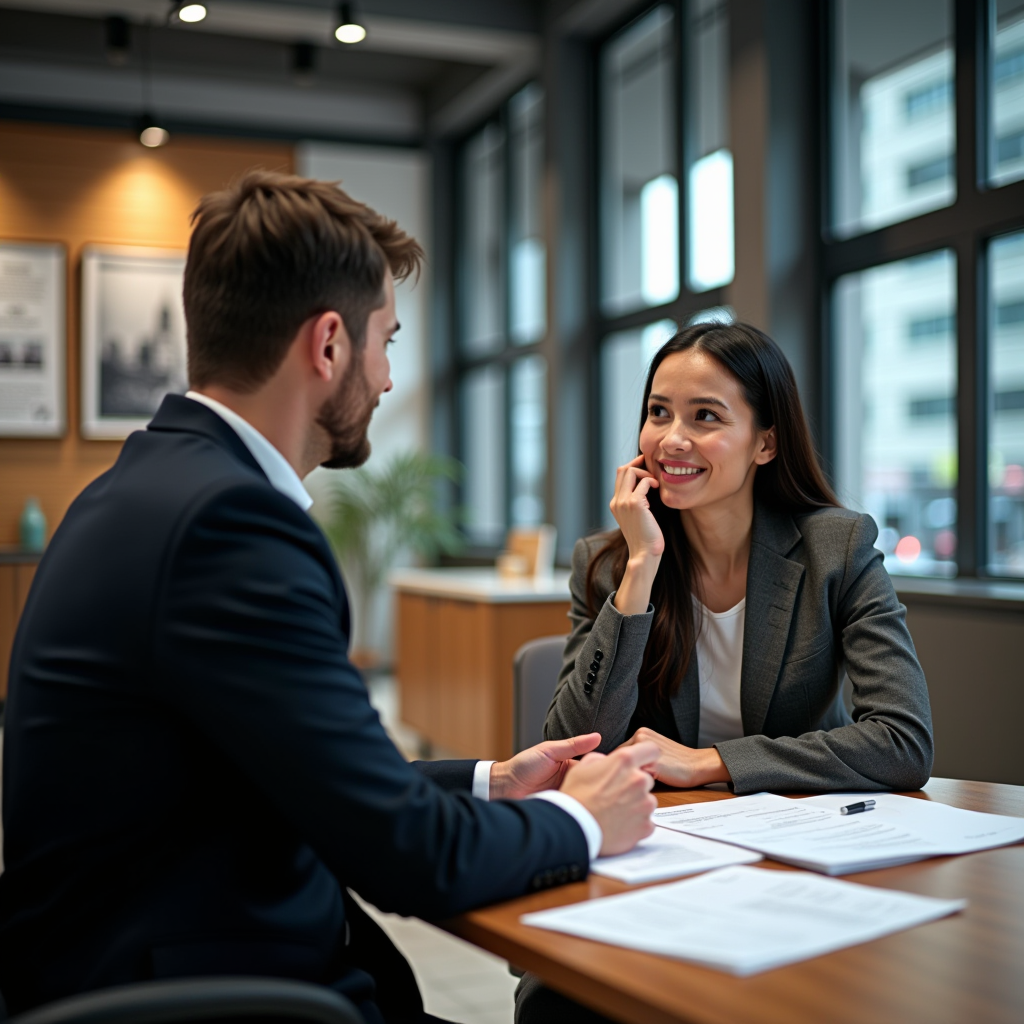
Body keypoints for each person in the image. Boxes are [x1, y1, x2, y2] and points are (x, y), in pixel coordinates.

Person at [0, 171, 660, 1023]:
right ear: (328, 345)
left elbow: (299, 770)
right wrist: (582, 821)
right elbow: (404, 857)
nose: (388, 378)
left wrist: (494, 781)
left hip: (144, 959)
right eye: (386, 339)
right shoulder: (230, 527)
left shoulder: (142, 485)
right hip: (207, 992)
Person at [544, 321, 934, 795]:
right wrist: (642, 563)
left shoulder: (836, 548)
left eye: (705, 416)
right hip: (660, 829)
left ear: (765, 443)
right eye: (659, 412)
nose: (671, 440)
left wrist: (710, 763)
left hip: (800, 823)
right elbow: (572, 748)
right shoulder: (608, 563)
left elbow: (903, 743)